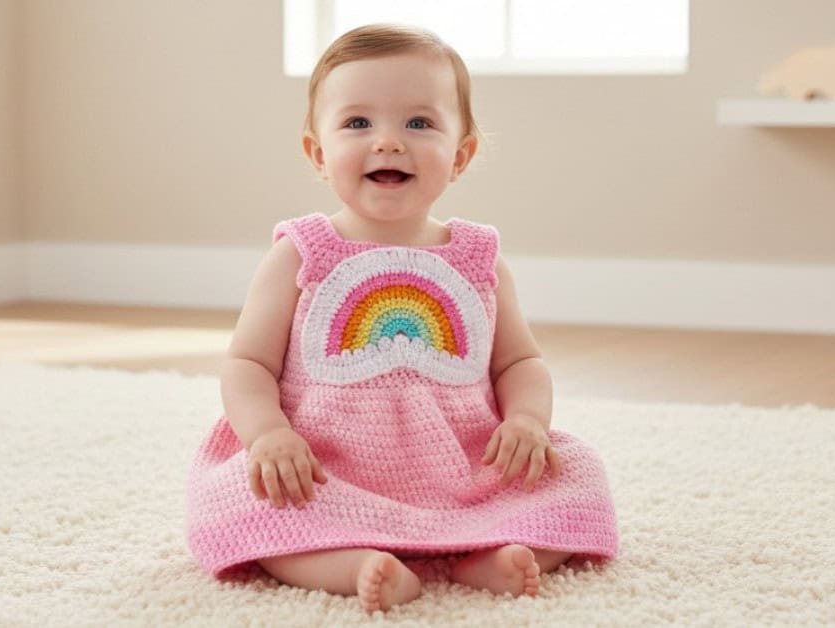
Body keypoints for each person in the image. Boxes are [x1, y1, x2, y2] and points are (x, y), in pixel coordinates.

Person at [186, 23, 618, 614]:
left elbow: (521, 360)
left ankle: (484, 557)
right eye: (358, 123)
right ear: (318, 152)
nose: (388, 142)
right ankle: (355, 564)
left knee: (579, 473)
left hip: (463, 468)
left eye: (418, 123)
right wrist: (269, 435)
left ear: (460, 155)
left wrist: (526, 421)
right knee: (242, 497)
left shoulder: (478, 260)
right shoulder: (300, 253)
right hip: (325, 468)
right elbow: (247, 363)